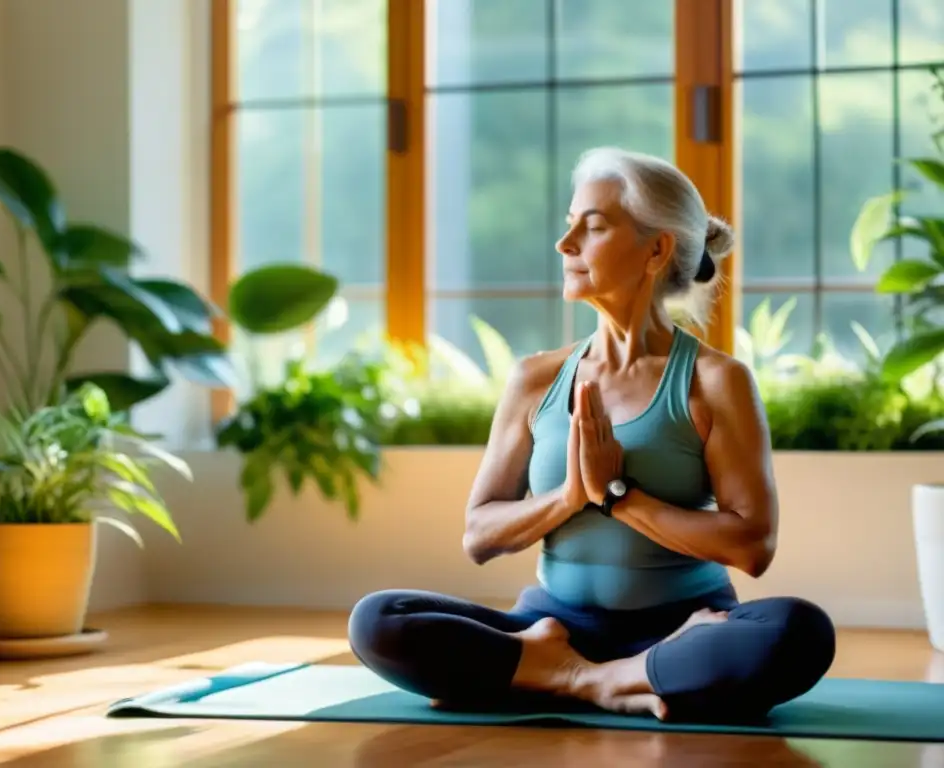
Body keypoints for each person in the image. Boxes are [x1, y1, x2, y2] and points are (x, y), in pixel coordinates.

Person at [348, 147, 836, 722]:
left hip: (682, 632)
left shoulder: (715, 381)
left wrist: (617, 496)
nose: (565, 244)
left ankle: (551, 679)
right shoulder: (536, 379)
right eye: (569, 225)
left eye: (594, 226)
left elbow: (752, 547)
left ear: (657, 250)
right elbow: (479, 535)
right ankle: (592, 679)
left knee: (798, 632)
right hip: (549, 627)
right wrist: (569, 497)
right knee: (378, 620)